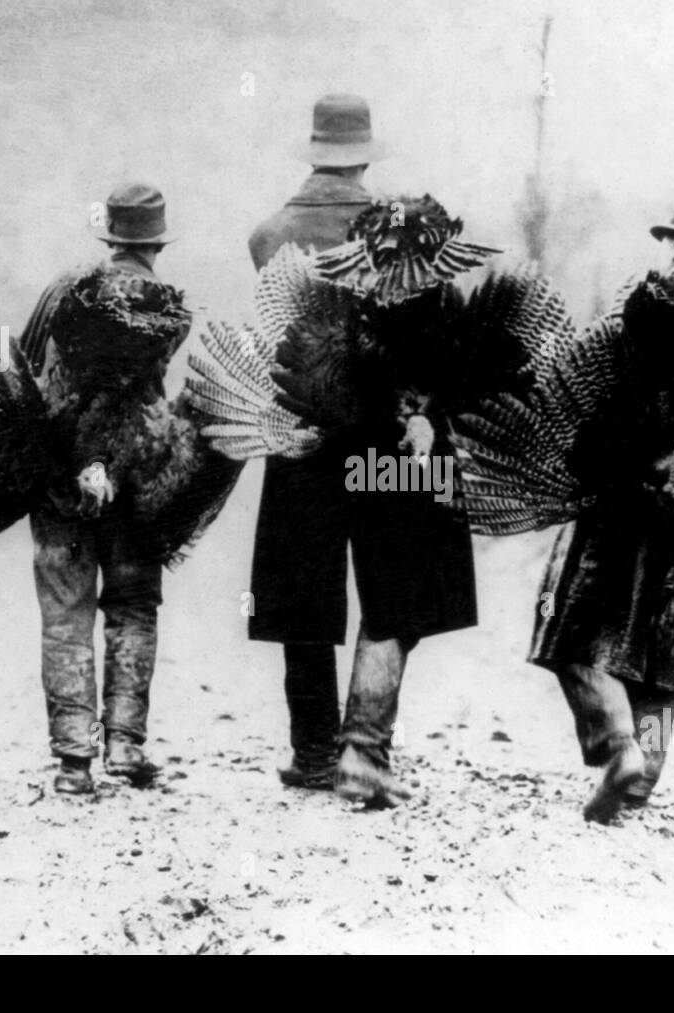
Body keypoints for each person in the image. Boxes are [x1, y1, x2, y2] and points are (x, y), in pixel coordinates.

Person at [246, 94, 477, 806]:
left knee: (301, 591)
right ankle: (364, 751)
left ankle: (313, 753)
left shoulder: (270, 233)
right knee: (399, 583)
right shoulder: (401, 231)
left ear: (312, 153)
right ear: (366, 154)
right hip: (384, 435)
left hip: (302, 433)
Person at [529, 200, 674, 822]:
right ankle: (642, 781)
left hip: (623, 497)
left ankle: (618, 749)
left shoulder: (644, 303)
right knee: (663, 653)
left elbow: (608, 392)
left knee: (568, 632)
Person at [19, 183, 178, 795]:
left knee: (65, 613)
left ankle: (72, 762)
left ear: (109, 235)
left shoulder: (63, 291)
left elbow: (27, 369)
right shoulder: (166, 305)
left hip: (59, 472)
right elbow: (140, 389)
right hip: (137, 475)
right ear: (156, 242)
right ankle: (125, 747)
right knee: (133, 606)